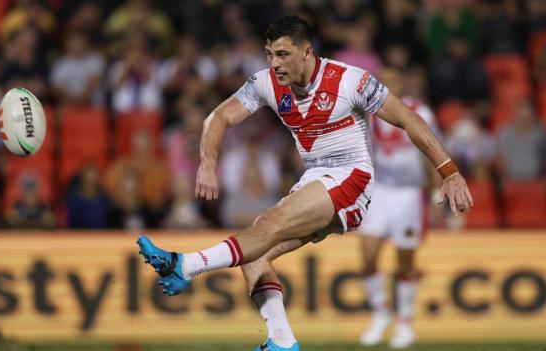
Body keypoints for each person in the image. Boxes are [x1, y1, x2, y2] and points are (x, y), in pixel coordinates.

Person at [137, 15, 473, 351]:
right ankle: (283, 341)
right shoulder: (266, 83)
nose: (275, 63)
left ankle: (186, 265)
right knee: (255, 252)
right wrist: (208, 164)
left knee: (269, 224)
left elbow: (407, 119)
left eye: (283, 54)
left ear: (307, 52)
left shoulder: (349, 81)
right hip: (314, 178)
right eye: (269, 54)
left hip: (352, 178)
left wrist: (449, 172)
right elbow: (220, 116)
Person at [357, 68, 439, 349]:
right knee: (368, 255)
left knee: (405, 260)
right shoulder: (371, 115)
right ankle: (381, 311)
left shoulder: (421, 113)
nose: (386, 88)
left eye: (391, 83)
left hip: (409, 195)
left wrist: (438, 189)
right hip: (380, 192)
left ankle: (405, 323)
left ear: (401, 85)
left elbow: (432, 149)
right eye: (383, 84)